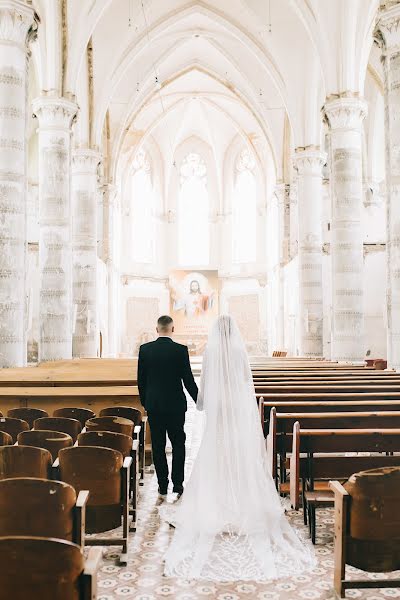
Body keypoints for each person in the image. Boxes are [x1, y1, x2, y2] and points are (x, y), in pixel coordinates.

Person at [160, 315, 315, 581]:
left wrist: (202, 404)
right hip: (235, 410)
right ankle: (241, 501)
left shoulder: (210, 352)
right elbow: (245, 380)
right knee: (238, 454)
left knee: (217, 454)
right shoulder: (239, 351)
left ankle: (218, 501)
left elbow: (206, 383)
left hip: (219, 410)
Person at [137, 315, 198, 496]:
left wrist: (145, 402)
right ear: (173, 329)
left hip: (154, 405)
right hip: (175, 406)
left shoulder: (145, 350)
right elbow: (188, 380)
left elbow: (141, 381)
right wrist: (199, 401)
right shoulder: (180, 350)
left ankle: (162, 484)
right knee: (179, 444)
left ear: (157, 330)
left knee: (158, 445)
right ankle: (178, 484)